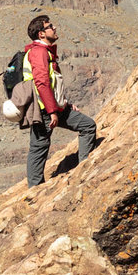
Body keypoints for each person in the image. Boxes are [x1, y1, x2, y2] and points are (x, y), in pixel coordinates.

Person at [20, 13, 97, 187]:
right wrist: (52, 111)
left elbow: (53, 84)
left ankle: (84, 167)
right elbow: (42, 83)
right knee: (39, 146)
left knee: (87, 125)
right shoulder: (39, 52)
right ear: (41, 33)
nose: (54, 29)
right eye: (50, 26)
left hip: (54, 107)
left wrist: (64, 104)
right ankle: (35, 187)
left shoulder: (45, 52)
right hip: (44, 110)